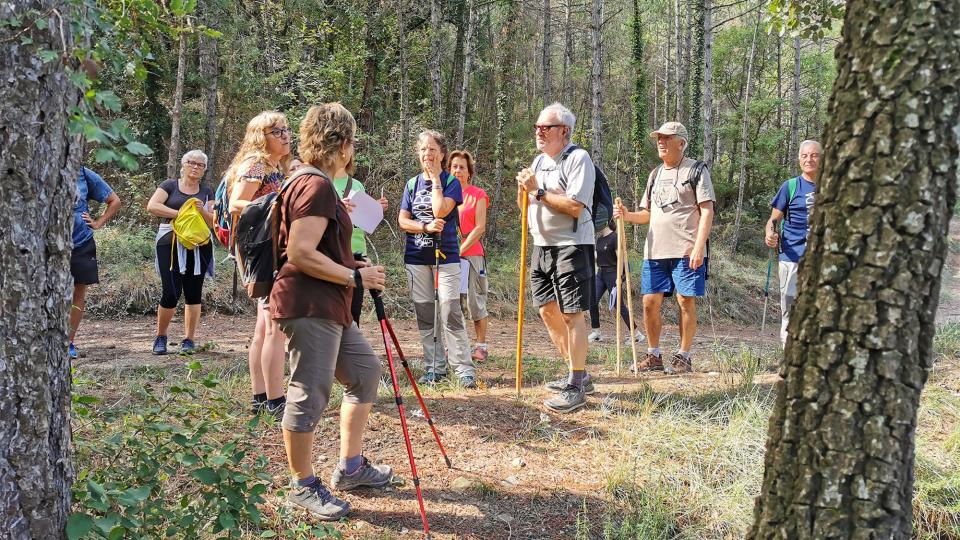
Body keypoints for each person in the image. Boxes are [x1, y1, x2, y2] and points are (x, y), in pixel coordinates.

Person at [271, 102, 392, 520]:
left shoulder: (316, 183)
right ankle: (302, 485)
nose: (352, 151)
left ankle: (352, 466)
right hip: (309, 304)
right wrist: (353, 278)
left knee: (364, 373)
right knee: (310, 392)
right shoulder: (315, 186)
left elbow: (320, 248)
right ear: (341, 143)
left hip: (330, 304)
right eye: (352, 142)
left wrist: (355, 267)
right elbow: (301, 253)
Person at [614, 122, 715, 374]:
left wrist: (698, 247)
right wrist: (626, 215)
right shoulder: (655, 174)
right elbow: (647, 214)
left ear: (681, 142)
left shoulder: (696, 170)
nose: (660, 141)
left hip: (686, 250)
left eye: (666, 138)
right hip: (655, 251)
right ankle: (653, 355)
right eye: (658, 138)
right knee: (649, 302)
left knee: (685, 300)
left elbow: (707, 210)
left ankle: (683, 356)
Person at [516, 102, 596, 414]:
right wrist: (523, 191)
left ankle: (576, 384)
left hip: (571, 244)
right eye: (537, 126)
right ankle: (577, 373)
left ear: (563, 131)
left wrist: (537, 192)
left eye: (545, 127)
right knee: (547, 310)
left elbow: (576, 206)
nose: (539, 131)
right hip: (542, 245)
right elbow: (527, 209)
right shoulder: (538, 161)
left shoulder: (578, 159)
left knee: (571, 314)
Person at [225, 111, 293, 418]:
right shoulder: (256, 163)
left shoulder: (276, 166)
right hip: (262, 250)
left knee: (264, 327)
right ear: (260, 137)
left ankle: (261, 396)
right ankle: (276, 400)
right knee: (273, 328)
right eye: (277, 131)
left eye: (286, 130)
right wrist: (277, 201)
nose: (285, 135)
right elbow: (236, 203)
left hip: (267, 249)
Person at [398, 130, 478, 388]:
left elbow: (440, 209)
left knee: (449, 310)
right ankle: (434, 368)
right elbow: (402, 220)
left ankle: (463, 368)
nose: (427, 154)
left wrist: (435, 180)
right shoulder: (411, 184)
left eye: (432, 149)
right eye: (423, 149)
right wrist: (424, 227)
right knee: (425, 313)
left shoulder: (451, 182)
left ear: (442, 154)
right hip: (416, 256)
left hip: (446, 256)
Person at [146, 150, 216, 355]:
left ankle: (189, 339)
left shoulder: (206, 191)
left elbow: (212, 221)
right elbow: (152, 206)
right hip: (169, 242)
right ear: (183, 165)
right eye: (191, 163)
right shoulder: (169, 186)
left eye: (200, 165)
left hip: (199, 244)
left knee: (194, 292)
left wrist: (201, 211)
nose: (195, 167)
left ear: (204, 169)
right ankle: (161, 336)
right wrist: (182, 214)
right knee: (171, 292)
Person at [765, 140, 821, 345]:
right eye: (805, 156)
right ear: (799, 159)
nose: (809, 159)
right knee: (790, 305)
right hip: (791, 256)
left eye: (814, 155)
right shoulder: (790, 186)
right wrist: (770, 234)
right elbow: (772, 220)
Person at [69, 167, 122, 359]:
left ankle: (68, 342)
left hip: (81, 242)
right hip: (44, 245)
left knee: (78, 290)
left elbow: (114, 201)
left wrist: (98, 222)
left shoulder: (83, 173)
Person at [332, 146, 389, 324]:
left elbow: (363, 220)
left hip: (357, 252)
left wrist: (376, 208)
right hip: (334, 253)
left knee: (354, 311)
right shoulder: (324, 182)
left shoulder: (357, 185)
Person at [449, 150, 491, 362]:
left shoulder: (478, 194)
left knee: (476, 300)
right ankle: (456, 346)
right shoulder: (445, 194)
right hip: (450, 257)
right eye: (454, 166)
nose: (458, 171)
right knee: (453, 301)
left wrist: (461, 249)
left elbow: (480, 227)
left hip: (472, 255)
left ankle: (481, 346)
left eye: (462, 167)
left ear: (469, 172)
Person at [588, 220, 644, 344]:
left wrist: (619, 277)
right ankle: (596, 332)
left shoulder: (615, 237)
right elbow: (599, 256)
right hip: (601, 273)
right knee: (592, 301)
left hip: (613, 273)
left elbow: (621, 259)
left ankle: (636, 334)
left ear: (605, 221)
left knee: (618, 305)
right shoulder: (599, 239)